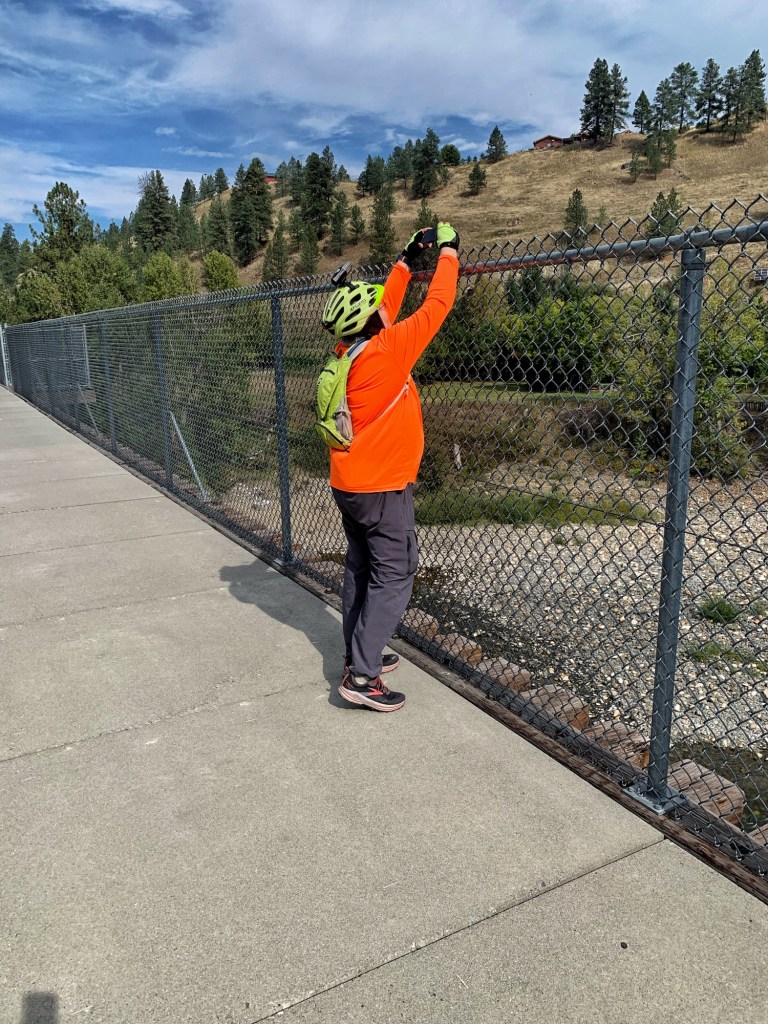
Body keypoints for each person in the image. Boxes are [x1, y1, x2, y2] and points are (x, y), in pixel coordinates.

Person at [320, 222, 460, 712]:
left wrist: (404, 260)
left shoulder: (347, 351)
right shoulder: (388, 351)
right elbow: (438, 304)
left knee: (361, 567)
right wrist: (448, 252)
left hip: (348, 484)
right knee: (396, 572)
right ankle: (362, 676)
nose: (385, 311)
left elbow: (385, 307)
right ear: (372, 323)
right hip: (381, 488)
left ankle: (357, 652)